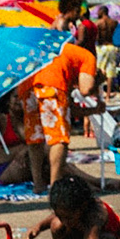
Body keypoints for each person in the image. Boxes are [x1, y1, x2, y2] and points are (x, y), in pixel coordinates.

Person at [21, 30, 99, 193]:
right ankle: (55, 185)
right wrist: (98, 79)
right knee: (59, 138)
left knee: (35, 137)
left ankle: (38, 184)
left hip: (28, 85)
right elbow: (86, 89)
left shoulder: (60, 49)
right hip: (52, 85)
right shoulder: (88, 57)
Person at [23, 171, 120, 239]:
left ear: (82, 207)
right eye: (61, 217)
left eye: (68, 218)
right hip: (82, 236)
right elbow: (56, 217)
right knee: (56, 224)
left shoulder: (95, 215)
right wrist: (38, 227)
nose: (65, 222)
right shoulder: (68, 213)